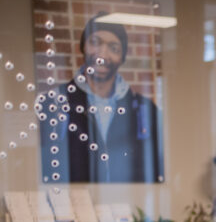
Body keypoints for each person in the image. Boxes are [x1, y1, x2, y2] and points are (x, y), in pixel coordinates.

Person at [39, 13, 164, 183]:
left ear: (122, 57)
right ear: (83, 47)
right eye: (95, 43)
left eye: (113, 48)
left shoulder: (144, 110)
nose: (102, 55)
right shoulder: (53, 103)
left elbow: (155, 170)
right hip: (72, 205)